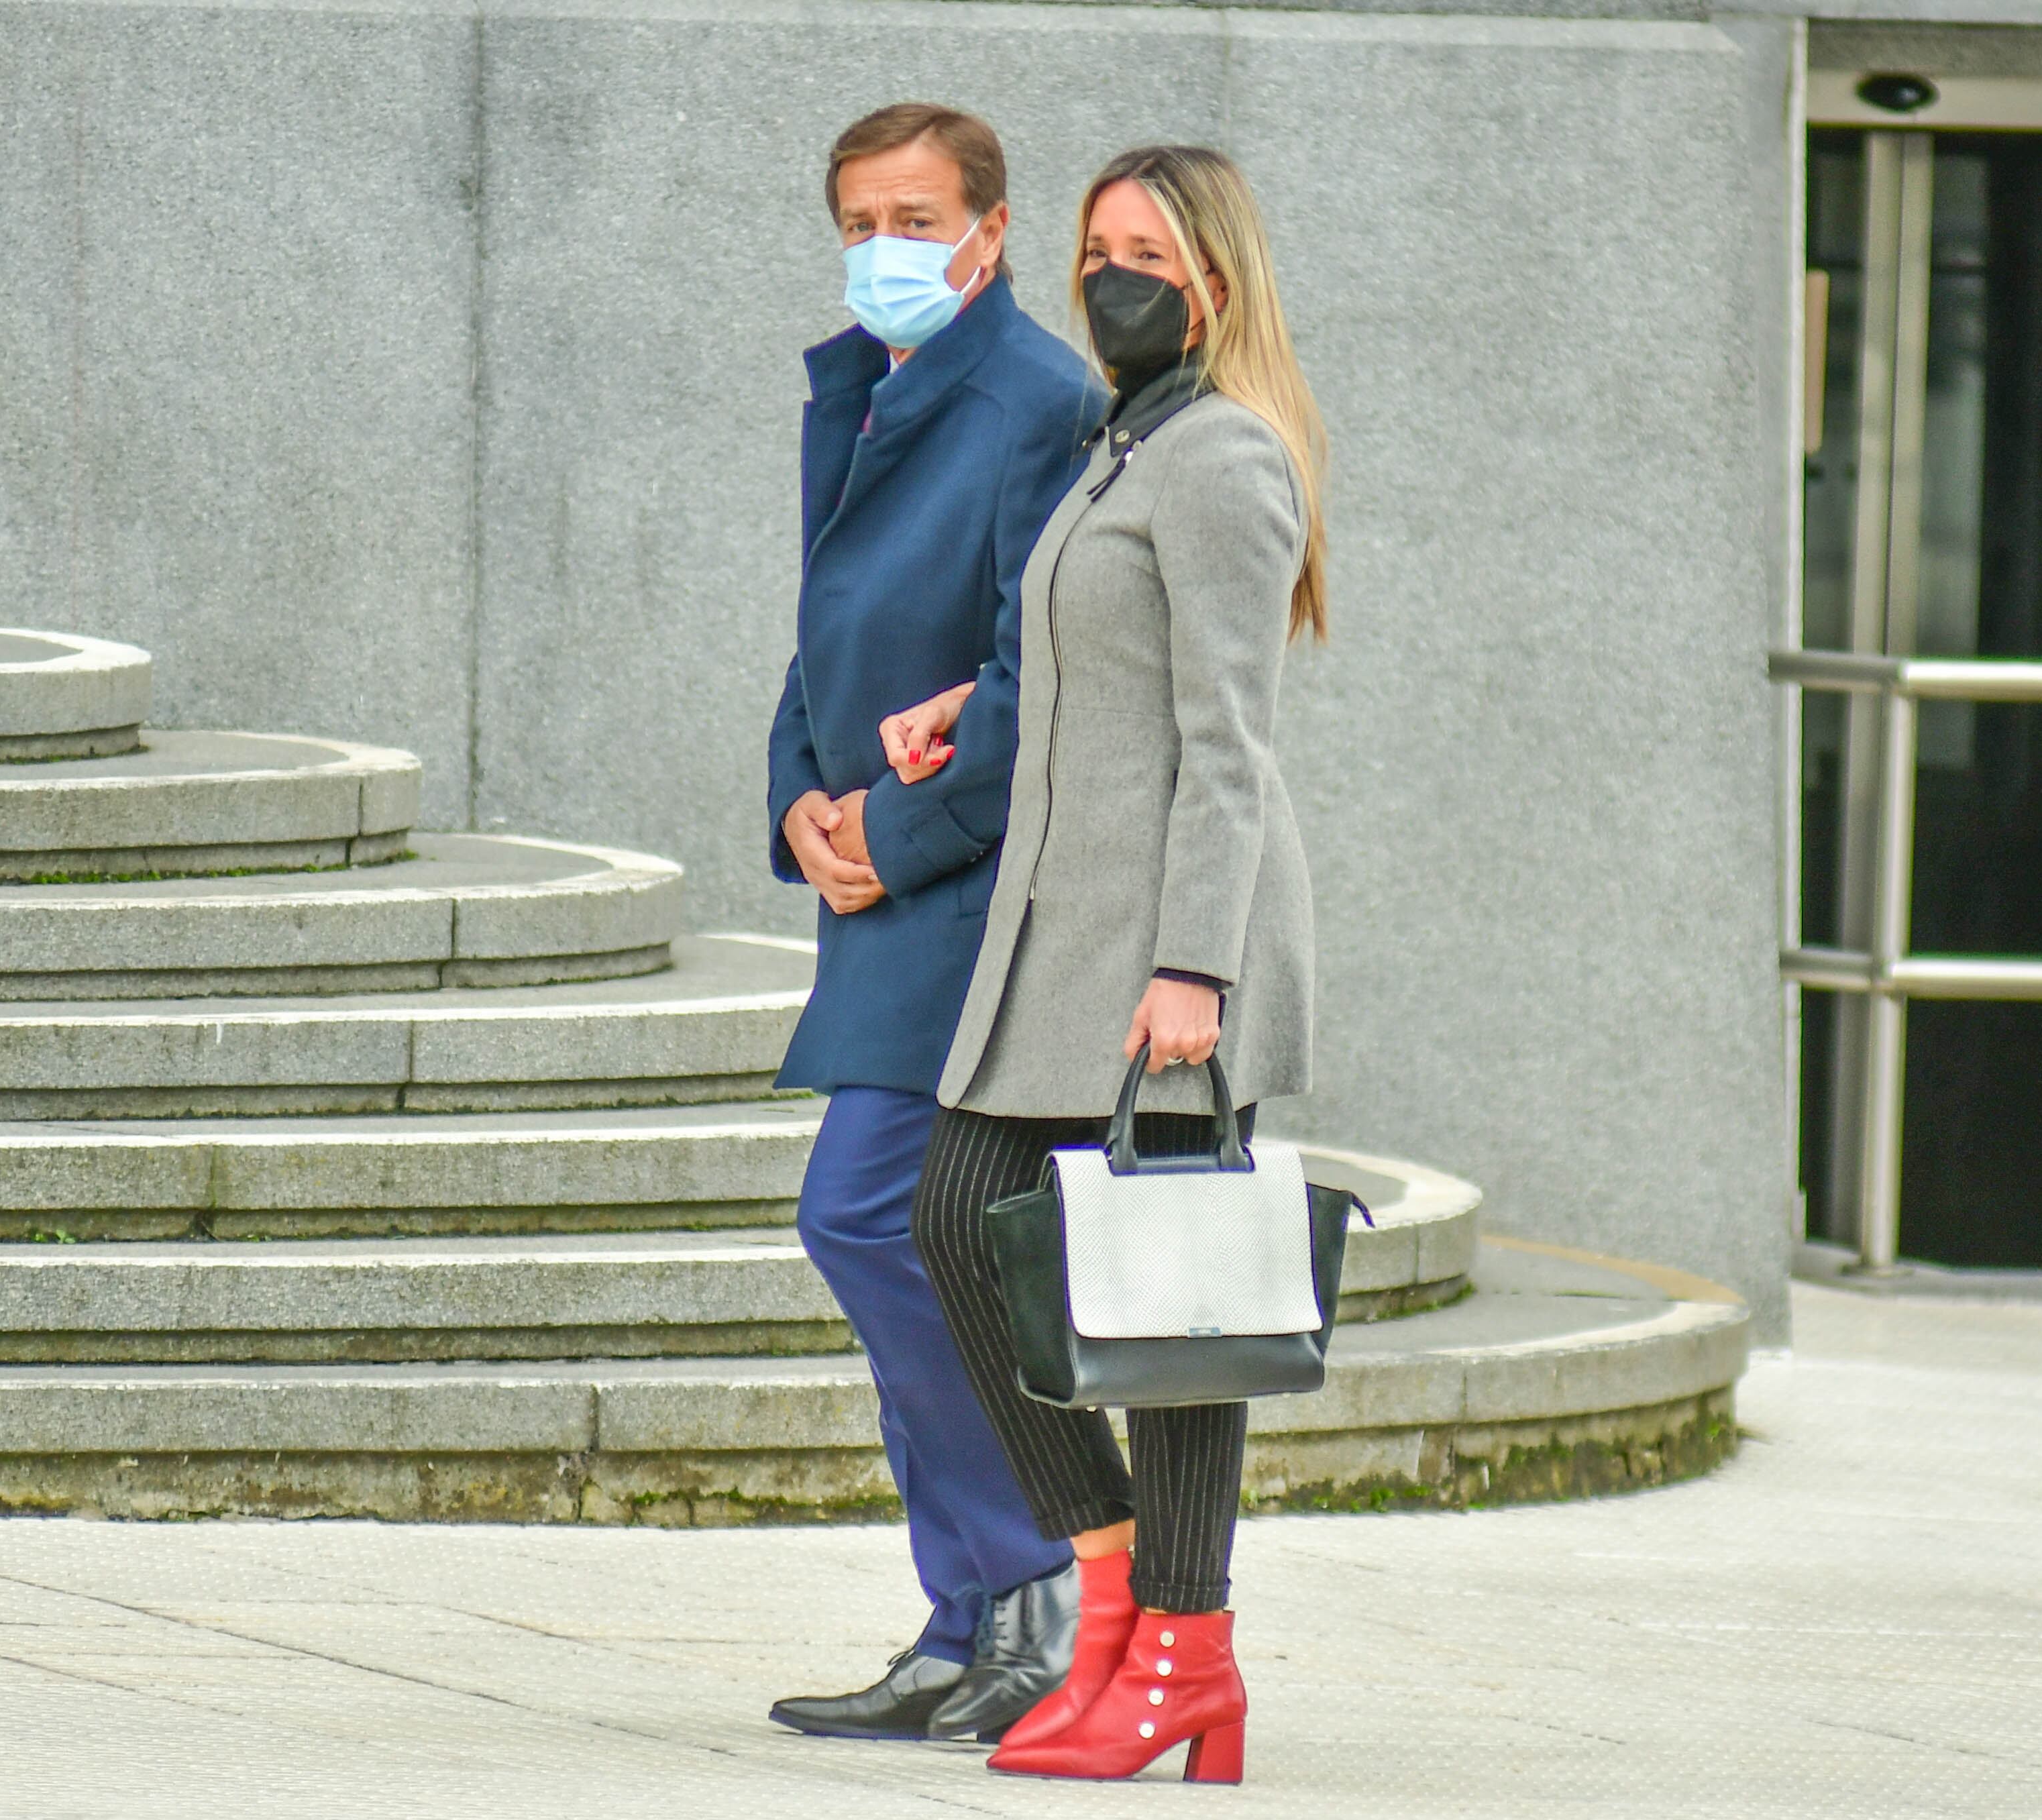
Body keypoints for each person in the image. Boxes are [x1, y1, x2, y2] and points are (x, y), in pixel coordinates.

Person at [887, 143, 1330, 1783]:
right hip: (1059, 936)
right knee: (956, 1224)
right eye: (1095, 246)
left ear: (1215, 276)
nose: (1112, 273)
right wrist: (972, 715)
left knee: (1181, 1308)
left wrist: (1196, 973)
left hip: (1163, 950)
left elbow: (1231, 745)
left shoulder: (1224, 458)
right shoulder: (1120, 442)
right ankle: (1119, 1604)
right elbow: (1084, 669)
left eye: (1146, 248)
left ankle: (1186, 1655)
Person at [762, 102, 1106, 1745]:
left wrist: (891, 834)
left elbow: (1040, 675)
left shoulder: (1035, 403)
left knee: (875, 1218)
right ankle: (967, 1615)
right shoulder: (872, 388)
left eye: (915, 216)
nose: (884, 247)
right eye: (859, 219)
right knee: (899, 1239)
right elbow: (820, 637)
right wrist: (797, 806)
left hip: (969, 894)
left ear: (991, 226)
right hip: (879, 882)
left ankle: (1035, 1575)